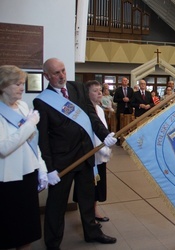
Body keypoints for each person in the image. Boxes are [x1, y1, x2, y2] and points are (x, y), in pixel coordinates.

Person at [33, 58, 117, 249]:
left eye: (63, 70)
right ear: (47, 76)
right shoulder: (42, 101)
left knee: (87, 199)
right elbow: (43, 139)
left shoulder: (77, 88)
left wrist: (105, 135)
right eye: (56, 73)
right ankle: (53, 243)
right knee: (56, 205)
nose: (62, 75)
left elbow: (91, 116)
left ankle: (92, 233)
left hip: (86, 156)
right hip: (62, 161)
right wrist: (49, 168)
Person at [0, 65, 48, 250]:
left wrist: (41, 167)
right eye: (17, 84)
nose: (22, 87)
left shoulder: (22, 106)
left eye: (22, 83)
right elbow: (4, 147)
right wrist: (29, 125)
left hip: (28, 172)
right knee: (10, 230)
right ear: (3, 86)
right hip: (9, 178)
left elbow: (32, 141)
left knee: (27, 229)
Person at [84, 80, 112, 224]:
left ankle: (94, 209)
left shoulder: (100, 109)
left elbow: (103, 130)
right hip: (89, 153)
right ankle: (88, 214)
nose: (100, 92)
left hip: (100, 153)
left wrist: (106, 148)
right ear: (87, 93)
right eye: (95, 90)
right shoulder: (83, 110)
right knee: (88, 186)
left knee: (98, 184)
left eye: (100, 90)